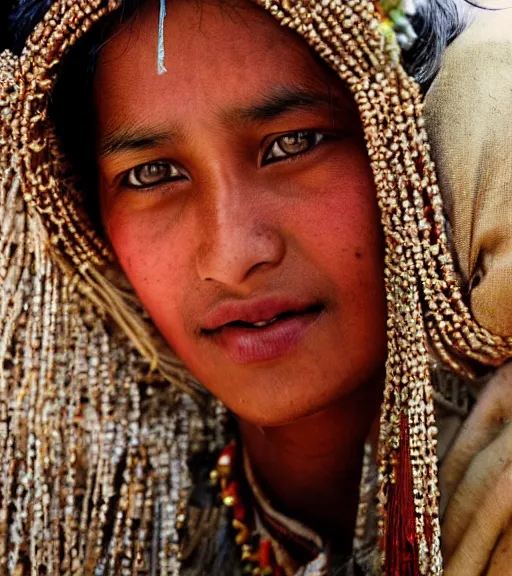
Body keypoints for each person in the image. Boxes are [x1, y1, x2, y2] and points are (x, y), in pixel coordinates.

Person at [1, 1, 512, 575]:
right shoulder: (90, 532)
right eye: (151, 174)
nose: (233, 256)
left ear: (409, 143)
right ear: (93, 224)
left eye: (294, 143)